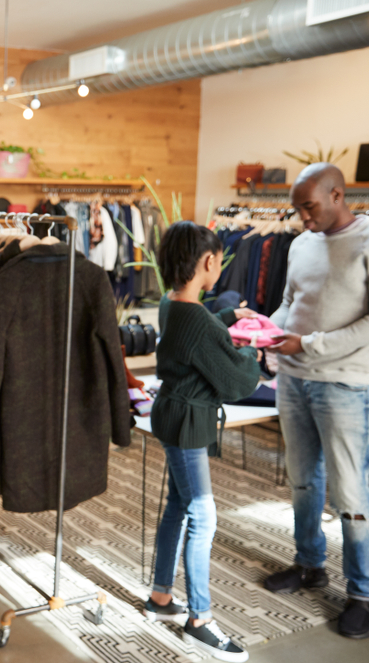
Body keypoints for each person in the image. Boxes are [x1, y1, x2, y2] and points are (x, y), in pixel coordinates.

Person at [264, 163, 369, 640]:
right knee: (303, 481)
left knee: (350, 491)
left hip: (343, 384)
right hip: (293, 380)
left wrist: (310, 344)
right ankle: (309, 564)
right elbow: (290, 302)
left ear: (338, 194)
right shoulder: (302, 243)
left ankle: (364, 593)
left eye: (310, 207)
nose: (303, 218)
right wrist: (265, 328)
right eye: (297, 210)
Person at [144, 221, 260, 663]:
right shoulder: (196, 319)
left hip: (172, 415)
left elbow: (199, 328)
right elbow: (235, 381)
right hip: (188, 423)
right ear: (209, 262)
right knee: (203, 516)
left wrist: (230, 319)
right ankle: (199, 619)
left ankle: (159, 596)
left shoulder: (171, 304)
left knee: (178, 505)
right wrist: (255, 353)